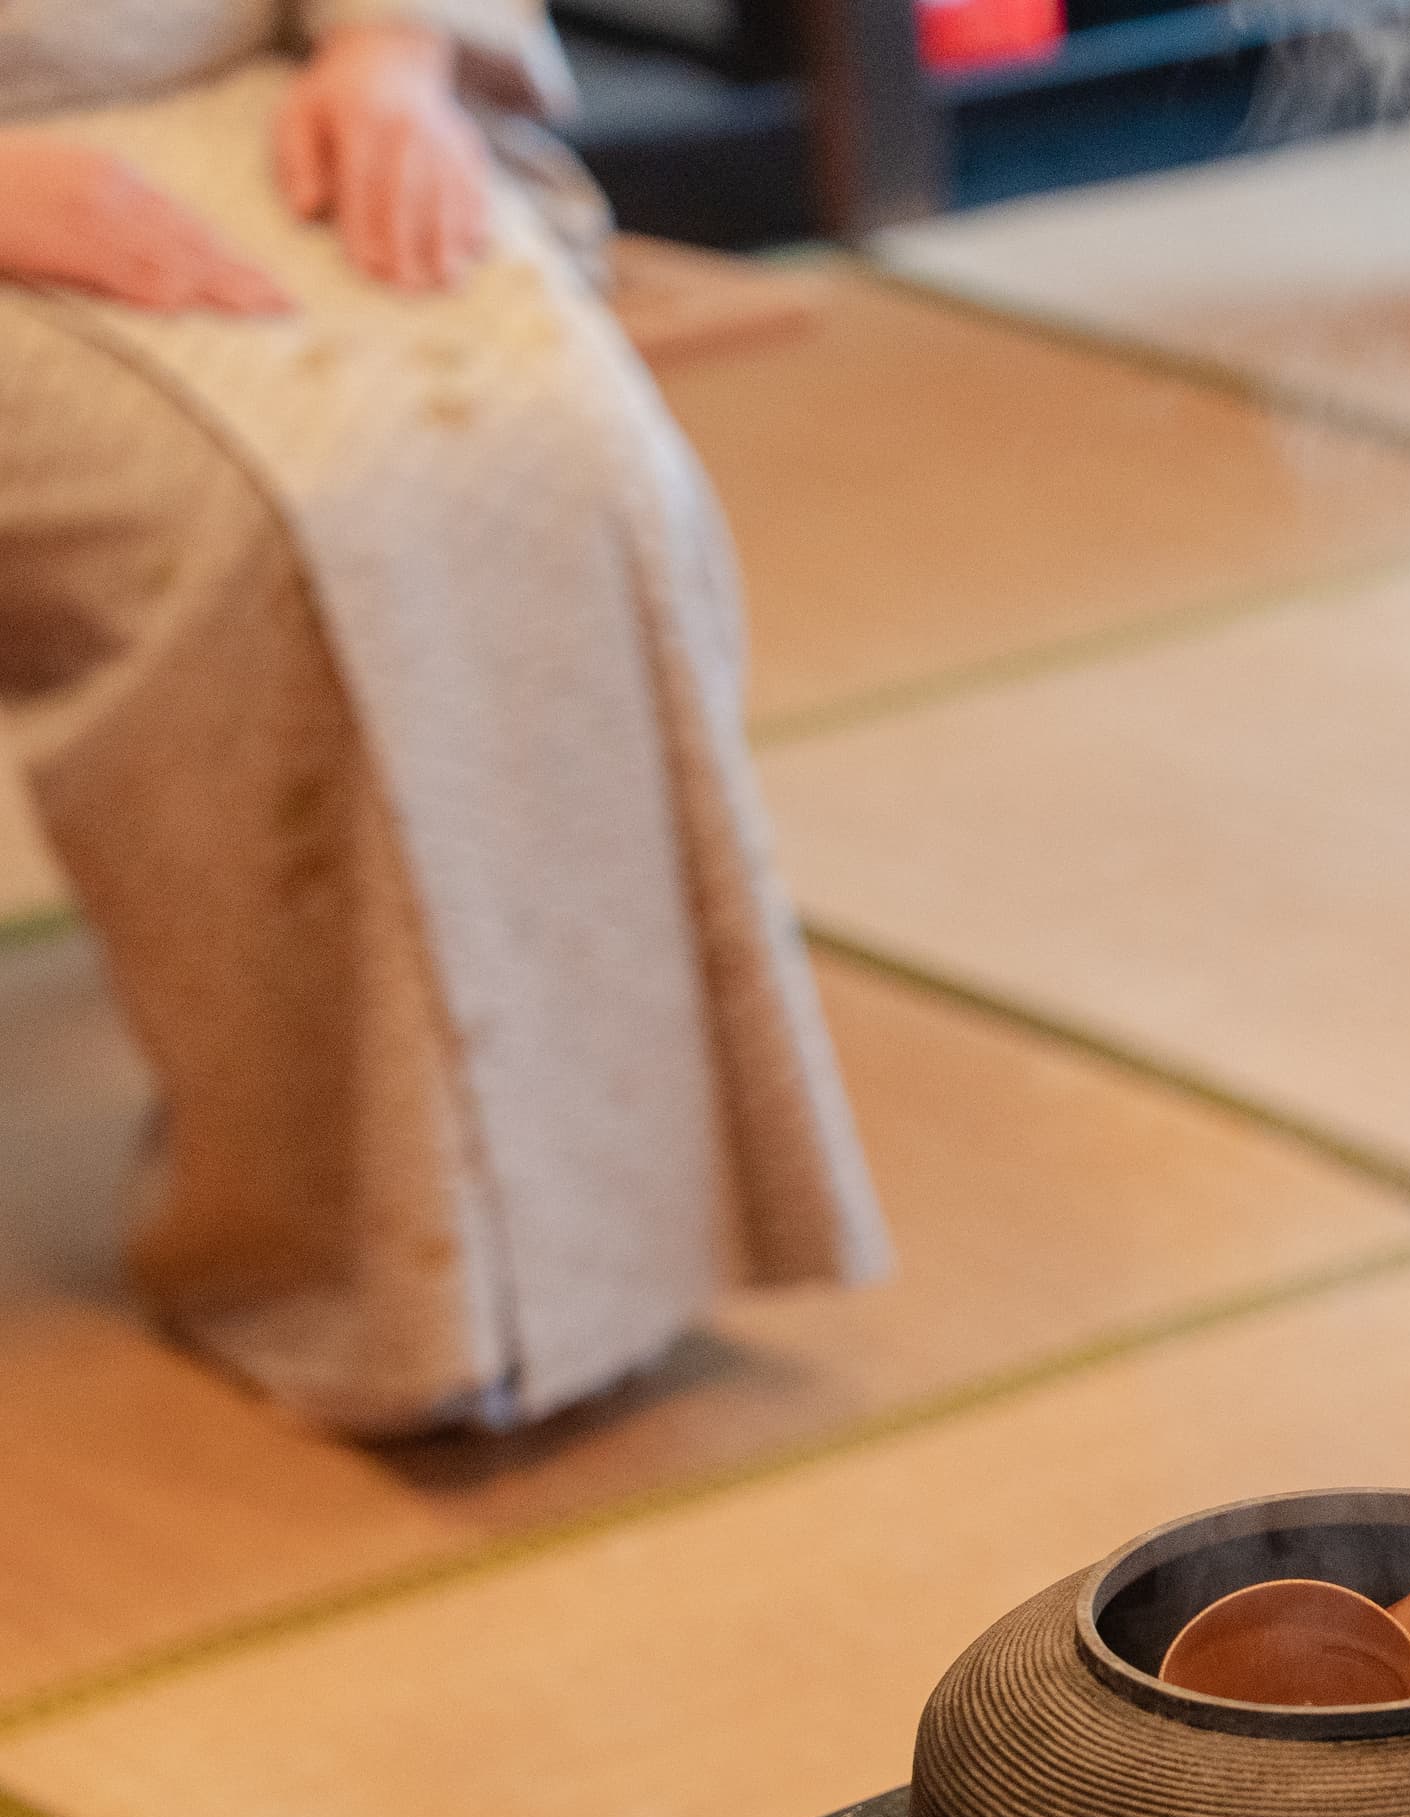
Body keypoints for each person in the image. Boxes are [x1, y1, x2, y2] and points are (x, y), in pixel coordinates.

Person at [0, 2, 885, 1438]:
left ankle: (602, 1242)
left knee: (577, 466)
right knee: (258, 530)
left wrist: (394, 54)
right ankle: (351, 1260)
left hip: (257, 94)